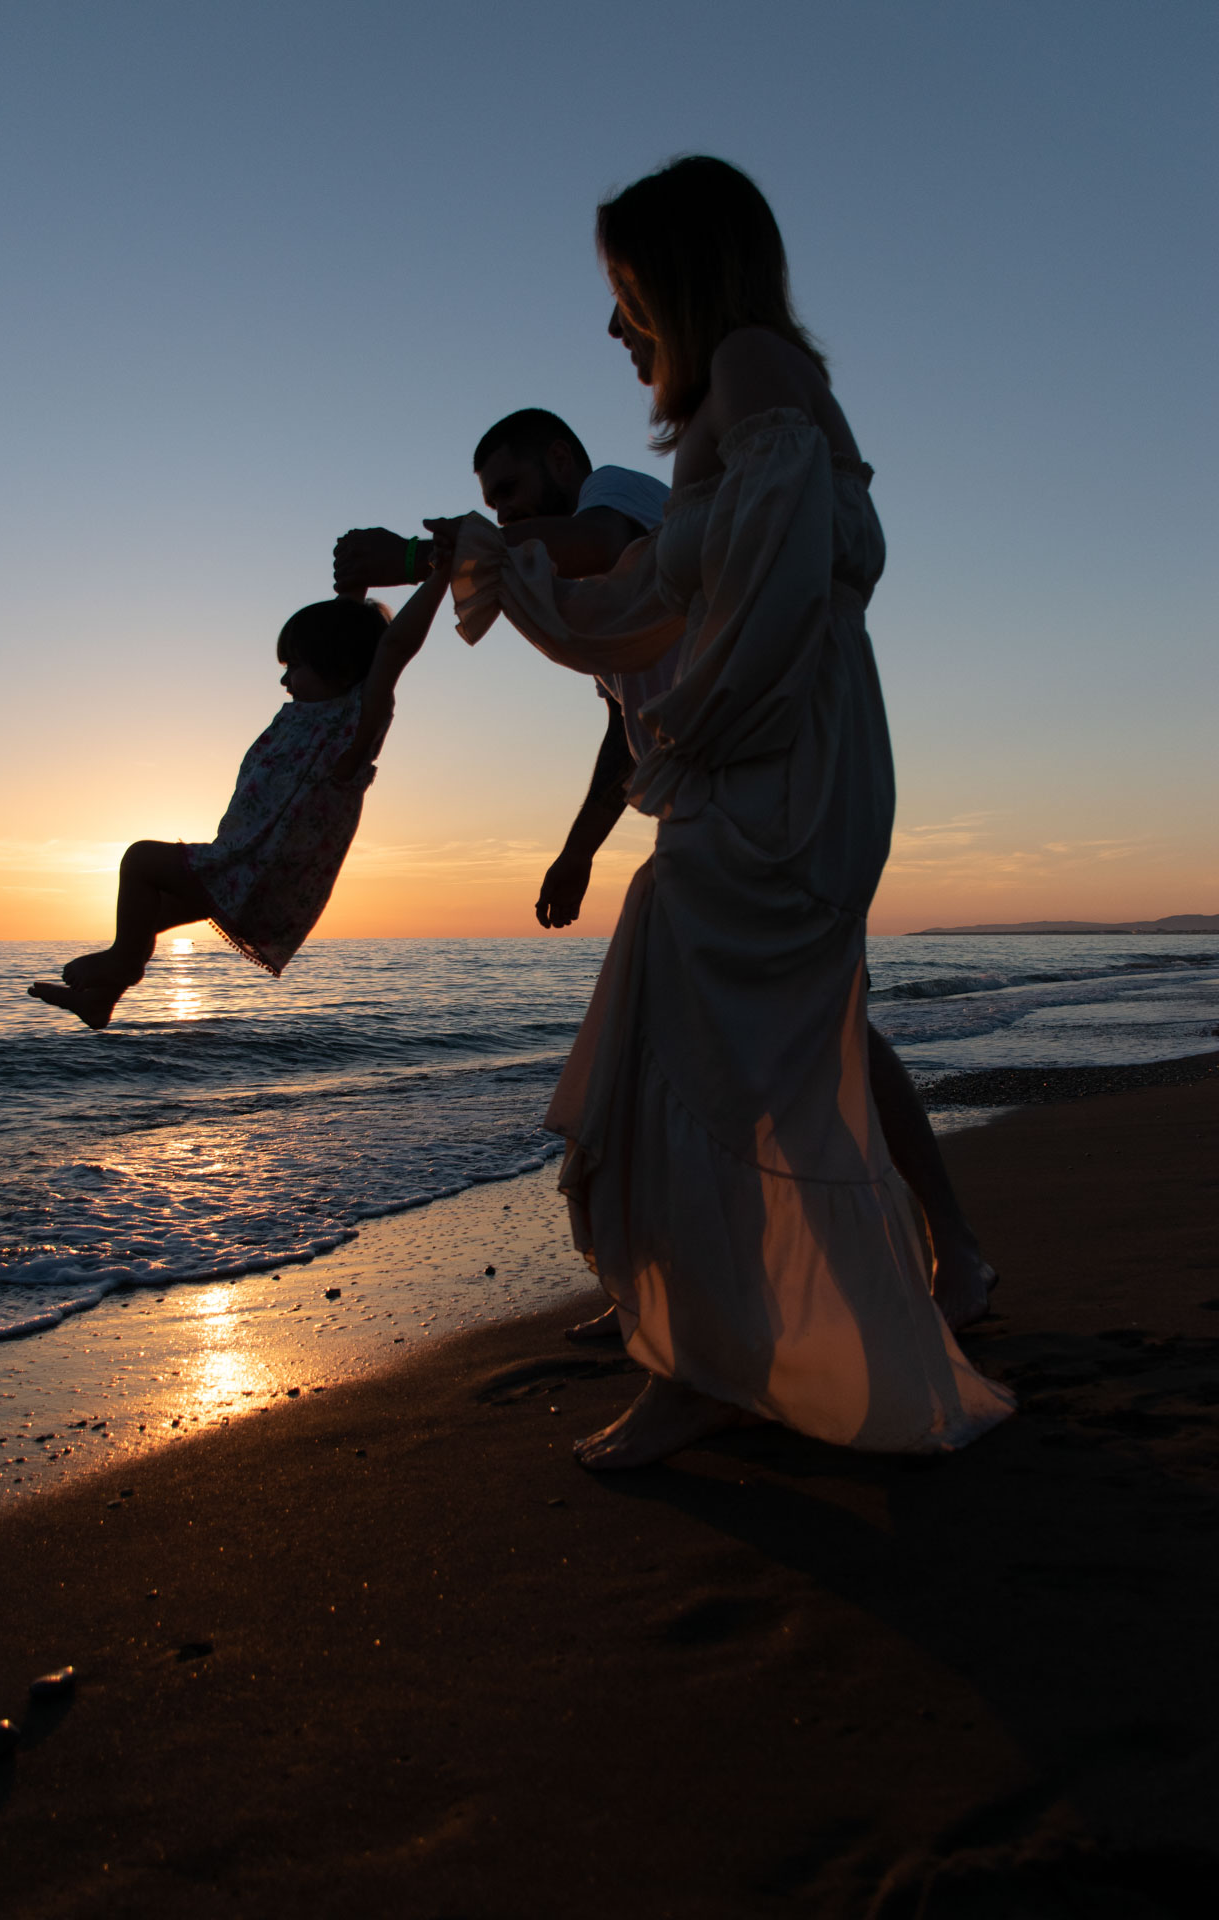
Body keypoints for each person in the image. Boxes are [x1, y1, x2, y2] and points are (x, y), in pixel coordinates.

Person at [430, 155, 1015, 1468]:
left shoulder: (749, 368)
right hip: (777, 759)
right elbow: (648, 605)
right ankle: (742, 1334)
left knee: (688, 1053)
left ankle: (704, 1360)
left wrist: (692, 739)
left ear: (682, 276)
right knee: (740, 1054)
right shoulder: (737, 396)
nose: (613, 324)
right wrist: (493, 573)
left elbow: (773, 576)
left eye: (627, 290)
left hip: (775, 772)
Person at [336, 415, 997, 1333]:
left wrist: (424, 556)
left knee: (823, 1029)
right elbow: (625, 731)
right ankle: (659, 1285)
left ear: (562, 462)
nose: (507, 516)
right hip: (699, 812)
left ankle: (949, 1248)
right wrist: (578, 849)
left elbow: (597, 537)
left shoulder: (622, 498)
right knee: (667, 1055)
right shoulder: (598, 595)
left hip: (768, 795)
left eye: (512, 493)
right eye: (492, 505)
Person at [28, 575, 448, 1029]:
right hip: (245, 869)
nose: (284, 679)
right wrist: (356, 585)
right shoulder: (310, 714)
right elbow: (343, 631)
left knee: (140, 859)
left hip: (255, 871)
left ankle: (123, 964)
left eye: (296, 667)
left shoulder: (353, 728)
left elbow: (393, 648)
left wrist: (442, 571)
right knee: (146, 913)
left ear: (340, 668)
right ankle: (100, 1001)